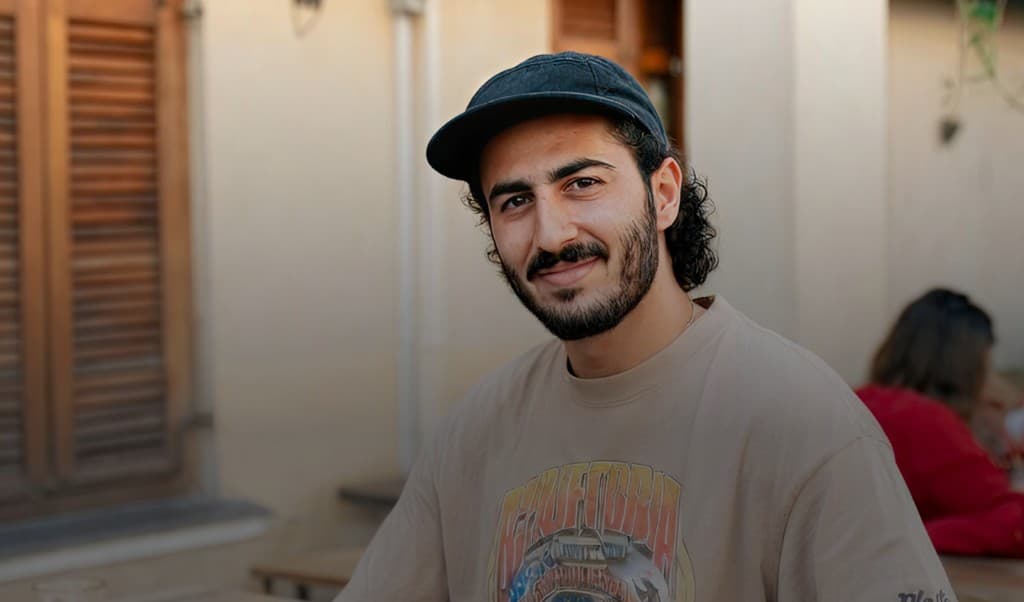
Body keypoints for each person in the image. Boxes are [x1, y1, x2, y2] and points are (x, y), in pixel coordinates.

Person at [337, 52, 952, 601]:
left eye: (582, 183)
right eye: (515, 201)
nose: (551, 235)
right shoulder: (475, 431)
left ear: (663, 194)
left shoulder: (804, 423)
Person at [858, 288, 1024, 557]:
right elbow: (1014, 524)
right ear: (968, 367)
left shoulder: (858, 401)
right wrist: (917, 537)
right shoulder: (924, 420)